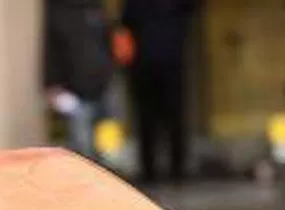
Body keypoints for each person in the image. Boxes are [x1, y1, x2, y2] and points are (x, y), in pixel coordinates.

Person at [120, 0, 198, 185]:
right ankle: (159, 169)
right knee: (154, 118)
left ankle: (169, 168)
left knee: (166, 117)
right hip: (152, 63)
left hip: (160, 62)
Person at [43, 0, 115, 160]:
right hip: (74, 89)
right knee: (82, 146)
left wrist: (109, 71)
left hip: (102, 85)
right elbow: (51, 51)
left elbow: (108, 42)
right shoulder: (57, 11)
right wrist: (52, 85)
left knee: (110, 145)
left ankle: (111, 172)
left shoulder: (97, 9)